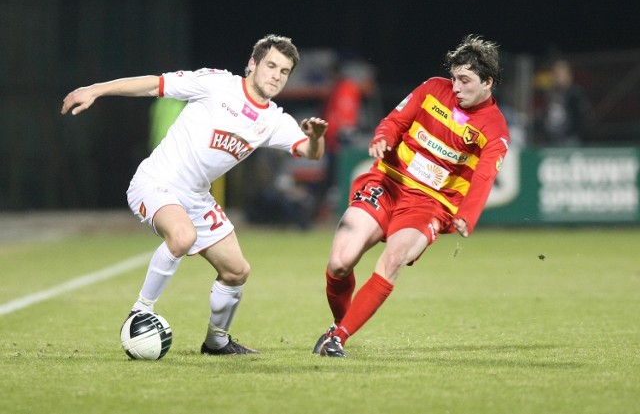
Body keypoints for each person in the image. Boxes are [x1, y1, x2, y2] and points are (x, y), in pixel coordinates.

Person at [61, 34, 328, 355]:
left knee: (236, 271)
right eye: (271, 65)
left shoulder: (273, 120)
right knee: (182, 236)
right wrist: (96, 90)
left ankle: (216, 342)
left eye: (284, 72)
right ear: (253, 64)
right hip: (156, 181)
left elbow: (310, 152)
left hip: (196, 198)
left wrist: (316, 138)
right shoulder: (216, 84)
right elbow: (153, 84)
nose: (276, 75)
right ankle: (140, 312)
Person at [312, 35, 510, 357]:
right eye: (454, 78)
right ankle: (339, 325)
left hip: (430, 205)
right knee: (339, 264)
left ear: (488, 82)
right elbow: (395, 121)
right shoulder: (433, 88)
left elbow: (485, 175)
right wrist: (383, 137)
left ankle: (339, 337)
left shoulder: (495, 129)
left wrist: (467, 215)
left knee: (394, 258)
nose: (456, 87)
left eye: (465, 80)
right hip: (387, 182)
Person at [534, 58, 591, 146]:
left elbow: (582, 116)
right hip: (550, 138)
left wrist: (575, 132)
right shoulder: (549, 94)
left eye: (560, 74)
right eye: (555, 74)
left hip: (569, 138)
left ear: (568, 76)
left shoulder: (575, 94)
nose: (557, 77)